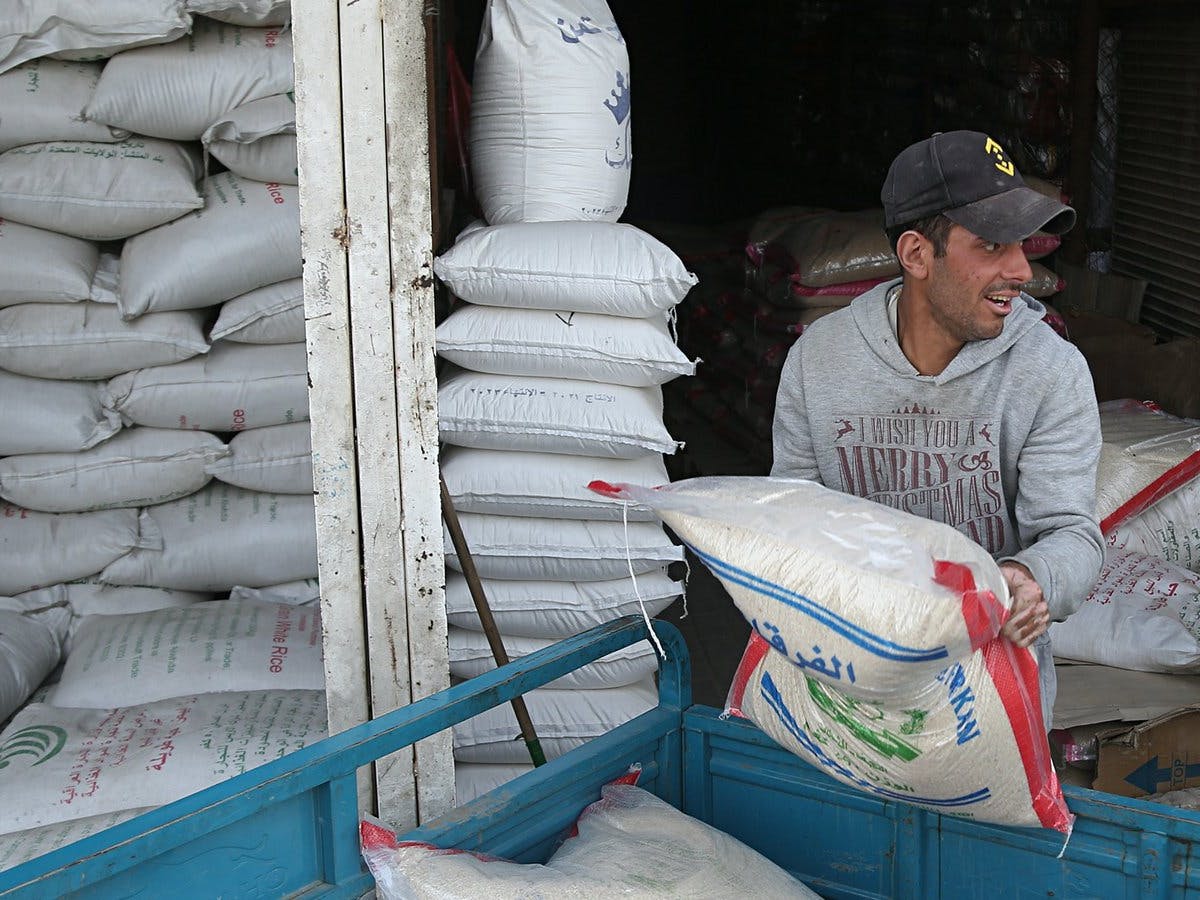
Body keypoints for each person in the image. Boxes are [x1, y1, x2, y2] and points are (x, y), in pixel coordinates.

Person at [770, 130, 1103, 730]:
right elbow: (792, 521)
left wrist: (1029, 579)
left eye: (1024, 245)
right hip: (847, 683)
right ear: (917, 255)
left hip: (990, 696)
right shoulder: (820, 361)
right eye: (993, 245)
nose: (1022, 269)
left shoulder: (1050, 370)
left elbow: (1072, 534)